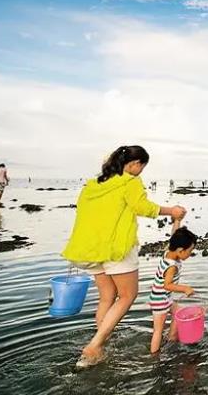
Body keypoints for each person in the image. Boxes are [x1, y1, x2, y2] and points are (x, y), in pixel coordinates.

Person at [61, 145, 187, 368]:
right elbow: (143, 207)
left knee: (107, 296)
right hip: (115, 248)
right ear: (136, 164)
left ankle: (100, 346)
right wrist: (172, 212)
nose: (141, 172)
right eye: (142, 167)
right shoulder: (130, 181)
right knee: (128, 296)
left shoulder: (94, 184)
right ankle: (95, 345)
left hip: (88, 249)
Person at [149, 218, 197, 354]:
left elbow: (174, 235)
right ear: (181, 250)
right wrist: (185, 288)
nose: (190, 254)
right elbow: (167, 285)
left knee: (179, 313)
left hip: (164, 298)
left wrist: (177, 220)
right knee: (158, 330)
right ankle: (154, 357)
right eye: (190, 251)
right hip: (160, 300)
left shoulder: (169, 251)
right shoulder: (172, 266)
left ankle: (171, 339)